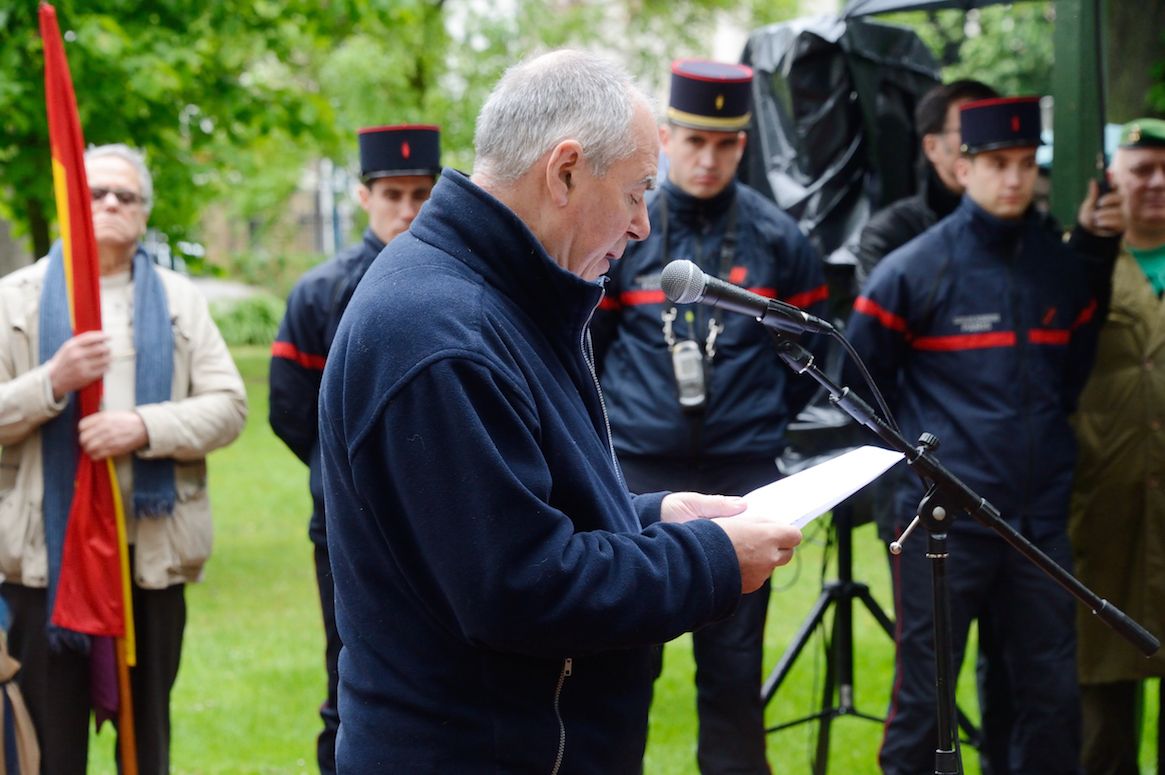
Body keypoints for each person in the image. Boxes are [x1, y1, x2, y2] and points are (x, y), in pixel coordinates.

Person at [318, 49, 804, 773]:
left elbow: (516, 510)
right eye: (638, 191)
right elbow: (520, 587)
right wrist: (710, 560)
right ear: (565, 170)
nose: (642, 226)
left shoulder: (499, 294)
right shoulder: (444, 331)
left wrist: (651, 514)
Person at [844, 97, 1121, 774]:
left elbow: (1069, 375)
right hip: (944, 527)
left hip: (1037, 527)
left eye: (1026, 164)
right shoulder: (911, 269)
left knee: (1050, 701)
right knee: (924, 703)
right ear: (963, 168)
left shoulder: (1061, 270)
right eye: (997, 163)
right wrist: (913, 482)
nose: (1013, 179)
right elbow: (857, 385)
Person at [590, 58, 828, 774]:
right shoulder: (624, 229)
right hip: (638, 472)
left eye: (725, 144)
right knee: (622, 664)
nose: (707, 158)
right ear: (664, 137)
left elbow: (810, 362)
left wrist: (753, 430)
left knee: (732, 669)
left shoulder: (777, 237)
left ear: (744, 145)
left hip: (739, 475)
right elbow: (585, 353)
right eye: (693, 141)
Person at [0, 143, 247, 774]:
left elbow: (229, 406)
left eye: (126, 196)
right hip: (46, 559)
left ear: (143, 214)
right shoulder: (15, 299)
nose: (110, 204)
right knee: (50, 746)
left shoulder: (177, 299)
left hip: (148, 554)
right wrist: (50, 382)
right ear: (69, 206)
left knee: (147, 743)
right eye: (95, 194)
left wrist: (142, 426)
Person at [268, 123, 440, 775]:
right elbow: (290, 407)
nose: (407, 209)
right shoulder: (320, 292)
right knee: (350, 669)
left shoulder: (463, 281)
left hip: (440, 517)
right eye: (392, 193)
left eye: (421, 192)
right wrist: (345, 470)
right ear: (365, 197)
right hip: (348, 522)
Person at [1069, 117, 1165, 775]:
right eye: (1140, 170)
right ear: (1110, 179)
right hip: (1103, 500)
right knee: (1100, 686)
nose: (1156, 184)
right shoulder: (1082, 263)